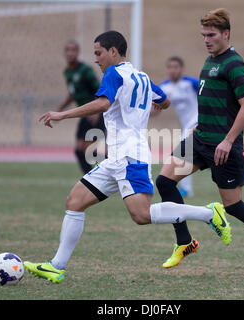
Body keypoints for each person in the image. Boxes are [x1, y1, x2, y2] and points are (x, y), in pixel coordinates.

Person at [23, 31, 232, 283]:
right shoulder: (141, 76)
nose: (97, 60)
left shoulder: (114, 73)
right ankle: (56, 266)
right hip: (117, 158)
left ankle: (209, 214)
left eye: (99, 53)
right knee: (75, 201)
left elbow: (102, 104)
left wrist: (61, 115)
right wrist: (150, 106)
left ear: (113, 52)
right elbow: (164, 101)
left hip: (129, 156)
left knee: (141, 215)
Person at [156, 9, 244, 276]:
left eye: (211, 35)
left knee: (233, 207)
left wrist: (228, 141)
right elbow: (212, 100)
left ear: (226, 34)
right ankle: (184, 242)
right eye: (203, 35)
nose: (206, 39)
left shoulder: (234, 64)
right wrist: (198, 124)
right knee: (164, 181)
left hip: (223, 147)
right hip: (200, 139)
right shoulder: (210, 60)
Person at [58, 40, 106, 174]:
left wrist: (96, 112)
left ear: (77, 53)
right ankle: (90, 179)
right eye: (68, 50)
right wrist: (60, 110)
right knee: (79, 150)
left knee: (92, 151)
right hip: (84, 115)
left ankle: (115, 171)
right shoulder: (67, 72)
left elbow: (100, 89)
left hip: (94, 113)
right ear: (64, 53)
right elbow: (73, 93)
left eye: (73, 50)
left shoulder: (85, 70)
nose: (70, 53)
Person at [157, 56, 199, 198]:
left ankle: (186, 189)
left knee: (183, 151)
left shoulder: (191, 83)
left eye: (176, 67)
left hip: (199, 121)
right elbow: (156, 107)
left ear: (182, 69)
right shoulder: (165, 87)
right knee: (213, 157)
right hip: (186, 125)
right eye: (170, 67)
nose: (172, 70)